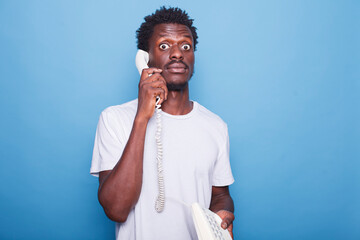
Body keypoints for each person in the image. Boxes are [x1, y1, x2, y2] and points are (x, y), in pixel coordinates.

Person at [90, 6, 235, 240]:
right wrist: (142, 118)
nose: (177, 53)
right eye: (164, 46)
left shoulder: (216, 126)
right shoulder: (114, 119)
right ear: (145, 58)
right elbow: (116, 209)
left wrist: (223, 212)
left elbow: (219, 195)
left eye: (186, 46)